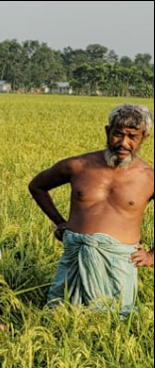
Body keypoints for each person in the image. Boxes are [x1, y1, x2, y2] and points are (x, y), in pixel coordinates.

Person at [29, 104, 154, 317]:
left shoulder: (149, 177)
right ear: (107, 131)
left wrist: (152, 256)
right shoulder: (78, 166)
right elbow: (37, 186)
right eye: (118, 134)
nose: (124, 143)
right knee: (60, 317)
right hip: (75, 258)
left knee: (115, 322)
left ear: (144, 137)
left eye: (132, 136)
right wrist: (60, 222)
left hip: (119, 264)